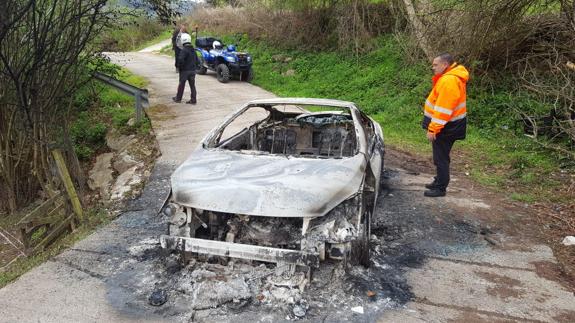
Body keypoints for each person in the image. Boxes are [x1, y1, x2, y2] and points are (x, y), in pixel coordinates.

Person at [421, 53, 469, 197]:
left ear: (445, 65)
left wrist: (433, 129)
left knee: (440, 157)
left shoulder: (449, 81)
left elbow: (443, 110)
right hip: (450, 125)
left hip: (446, 127)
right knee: (440, 155)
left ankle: (440, 188)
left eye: (435, 65)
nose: (433, 67)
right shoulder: (450, 78)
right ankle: (438, 181)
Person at [172, 33, 198, 105]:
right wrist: (194, 68)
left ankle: (178, 98)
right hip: (192, 71)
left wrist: (180, 68)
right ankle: (193, 100)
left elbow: (180, 60)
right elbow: (197, 60)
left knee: (181, 85)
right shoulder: (193, 50)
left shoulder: (184, 50)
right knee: (192, 86)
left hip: (185, 71)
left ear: (182, 41)